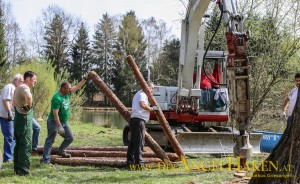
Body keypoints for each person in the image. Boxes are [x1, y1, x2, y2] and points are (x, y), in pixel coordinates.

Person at [41, 73, 90, 164]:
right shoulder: (57, 98)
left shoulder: (67, 93)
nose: (70, 89)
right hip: (54, 121)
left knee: (70, 137)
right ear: (63, 89)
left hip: (63, 121)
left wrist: (85, 78)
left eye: (70, 88)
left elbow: (77, 86)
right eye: (68, 88)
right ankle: (45, 160)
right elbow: (55, 113)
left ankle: (61, 150)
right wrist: (59, 127)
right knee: (50, 140)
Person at [126, 81, 159, 167]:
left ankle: (130, 161)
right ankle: (139, 163)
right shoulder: (142, 95)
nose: (152, 90)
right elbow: (142, 105)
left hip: (135, 120)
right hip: (139, 120)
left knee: (133, 142)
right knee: (139, 142)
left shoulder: (139, 93)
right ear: (147, 87)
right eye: (151, 88)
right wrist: (152, 109)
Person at [13, 71, 37, 176]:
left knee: (19, 144)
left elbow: (13, 101)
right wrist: (28, 107)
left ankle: (18, 168)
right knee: (25, 145)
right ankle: (23, 170)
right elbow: (29, 96)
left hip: (19, 119)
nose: (35, 82)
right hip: (23, 120)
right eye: (34, 80)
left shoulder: (19, 87)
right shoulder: (24, 88)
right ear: (27, 79)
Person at [0, 74, 23, 163]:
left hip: (12, 116)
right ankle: (7, 157)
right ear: (17, 80)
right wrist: (9, 112)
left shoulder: (16, 88)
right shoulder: (10, 87)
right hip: (6, 116)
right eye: (21, 81)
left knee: (12, 136)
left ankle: (9, 155)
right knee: (9, 136)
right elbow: (6, 100)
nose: (22, 83)